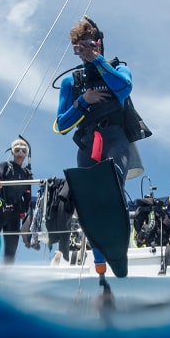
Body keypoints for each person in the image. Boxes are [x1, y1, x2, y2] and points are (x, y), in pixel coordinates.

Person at [53, 16, 133, 275]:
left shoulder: (118, 69)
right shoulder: (71, 83)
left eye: (88, 44)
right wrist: (83, 101)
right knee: (89, 202)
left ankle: (120, 259)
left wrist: (97, 60)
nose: (83, 51)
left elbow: (125, 88)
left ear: (98, 43)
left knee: (111, 189)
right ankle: (99, 264)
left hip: (115, 138)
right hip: (87, 143)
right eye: (78, 48)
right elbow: (60, 126)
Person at [0, 137, 33, 262]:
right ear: (12, 152)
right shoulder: (5, 166)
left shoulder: (27, 174)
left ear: (26, 154)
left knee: (11, 252)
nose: (20, 154)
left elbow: (28, 199)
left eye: (23, 151)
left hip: (14, 214)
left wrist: (28, 219)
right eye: (17, 150)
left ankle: (3, 277)